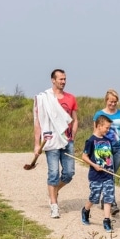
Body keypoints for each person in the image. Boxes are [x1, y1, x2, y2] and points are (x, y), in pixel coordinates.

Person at [33, 69, 79, 218]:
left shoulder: (71, 98)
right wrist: (36, 144)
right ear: (53, 80)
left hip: (67, 140)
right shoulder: (44, 98)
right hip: (51, 140)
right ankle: (54, 204)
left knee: (69, 173)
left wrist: (73, 136)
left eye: (65, 79)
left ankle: (54, 190)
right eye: (60, 79)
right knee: (53, 173)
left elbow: (75, 119)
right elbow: (38, 123)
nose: (63, 81)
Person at [92, 89, 120, 215]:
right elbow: (95, 133)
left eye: (115, 102)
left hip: (119, 148)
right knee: (109, 174)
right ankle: (112, 202)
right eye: (111, 101)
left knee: (112, 174)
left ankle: (106, 199)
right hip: (104, 150)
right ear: (106, 100)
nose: (113, 104)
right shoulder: (99, 114)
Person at [80, 114, 115, 233]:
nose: (108, 130)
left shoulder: (108, 140)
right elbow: (84, 156)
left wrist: (111, 169)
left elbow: (109, 157)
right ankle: (85, 210)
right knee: (95, 197)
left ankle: (106, 220)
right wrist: (94, 165)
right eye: (106, 127)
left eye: (109, 128)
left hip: (108, 175)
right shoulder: (91, 141)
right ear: (99, 126)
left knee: (108, 197)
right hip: (95, 175)